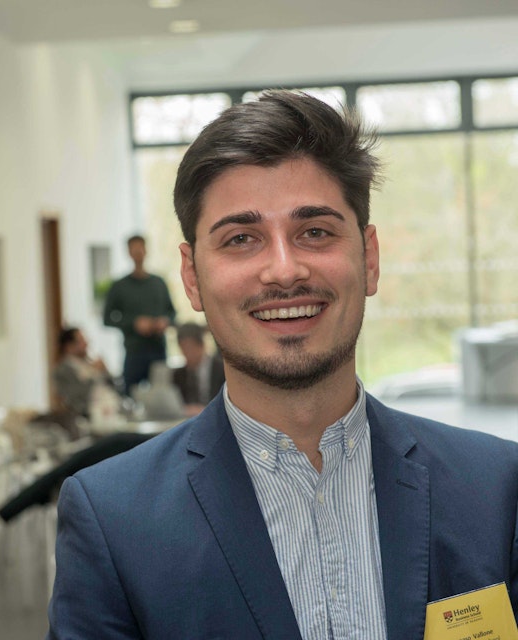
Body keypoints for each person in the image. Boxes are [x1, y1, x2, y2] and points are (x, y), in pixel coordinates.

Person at [47, 92, 518, 640]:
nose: (284, 270)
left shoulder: (496, 490)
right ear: (192, 277)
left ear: (368, 258)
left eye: (315, 231)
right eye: (241, 239)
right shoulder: (113, 519)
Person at [103, 234, 176, 395]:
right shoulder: (119, 286)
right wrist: (133, 323)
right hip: (134, 352)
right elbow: (107, 319)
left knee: (161, 395)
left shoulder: (158, 283)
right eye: (134, 249)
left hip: (158, 350)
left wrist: (165, 321)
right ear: (129, 252)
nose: (138, 253)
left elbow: (172, 313)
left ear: (146, 250)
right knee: (129, 396)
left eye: (140, 248)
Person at [52, 326, 112, 420]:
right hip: (85, 417)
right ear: (69, 347)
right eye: (81, 341)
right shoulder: (63, 371)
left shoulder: (90, 363)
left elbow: (114, 386)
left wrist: (104, 371)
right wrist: (94, 373)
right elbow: (77, 398)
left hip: (110, 411)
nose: (86, 344)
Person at [172, 321, 225, 416]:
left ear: (201, 346)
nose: (187, 354)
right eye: (183, 348)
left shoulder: (221, 369)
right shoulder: (179, 374)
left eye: (190, 348)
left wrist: (204, 410)